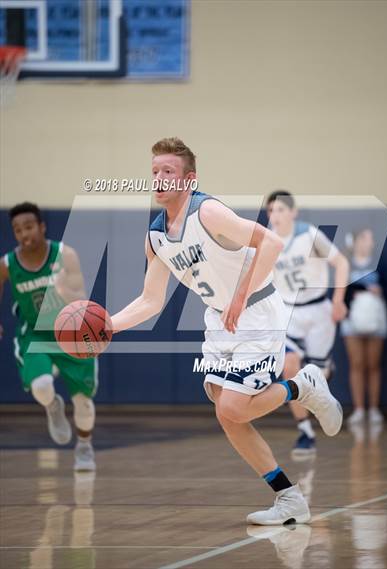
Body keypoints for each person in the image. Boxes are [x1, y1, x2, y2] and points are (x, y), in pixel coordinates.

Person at [111, 137, 343, 525]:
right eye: (154, 171)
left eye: (168, 171)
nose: (159, 179)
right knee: (228, 416)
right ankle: (289, 498)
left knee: (232, 406)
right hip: (220, 317)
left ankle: (302, 386)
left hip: (257, 308)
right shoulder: (156, 237)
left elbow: (270, 242)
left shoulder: (208, 212)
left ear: (189, 179)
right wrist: (109, 327)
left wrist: (240, 295)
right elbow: (151, 300)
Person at [0, 202, 97, 471]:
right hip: (34, 334)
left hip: (72, 332)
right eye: (17, 230)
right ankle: (53, 406)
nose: (24, 234)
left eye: (29, 227)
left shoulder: (66, 255)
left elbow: (81, 298)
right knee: (41, 386)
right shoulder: (7, 265)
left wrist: (66, 292)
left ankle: (84, 446)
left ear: (41, 227)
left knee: (83, 401)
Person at [266, 191, 349, 457]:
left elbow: (342, 262)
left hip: (319, 310)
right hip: (288, 313)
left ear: (293, 212)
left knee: (316, 377)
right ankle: (305, 431)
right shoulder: (268, 239)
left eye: (280, 210)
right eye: (271, 211)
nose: (275, 216)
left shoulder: (310, 235)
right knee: (289, 365)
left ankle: (325, 370)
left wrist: (338, 300)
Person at [341, 228, 387, 426]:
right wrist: (357, 291)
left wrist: (380, 291)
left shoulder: (380, 264)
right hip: (352, 320)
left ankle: (374, 409)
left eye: (371, 238)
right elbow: (340, 290)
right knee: (357, 364)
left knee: (373, 364)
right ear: (357, 240)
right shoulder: (347, 263)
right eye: (366, 238)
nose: (370, 242)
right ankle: (359, 409)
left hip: (375, 319)